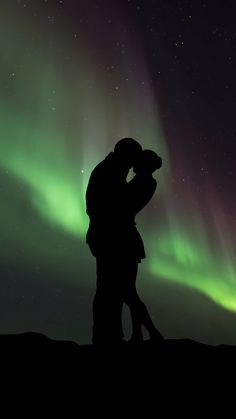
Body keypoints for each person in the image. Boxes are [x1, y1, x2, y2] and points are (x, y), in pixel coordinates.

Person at [85, 138, 142, 345]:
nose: (133, 164)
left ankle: (108, 335)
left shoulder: (111, 170)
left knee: (111, 289)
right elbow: (108, 206)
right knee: (109, 289)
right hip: (108, 236)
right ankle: (106, 336)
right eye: (133, 158)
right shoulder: (110, 172)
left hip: (106, 235)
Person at [123, 149, 164, 343]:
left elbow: (125, 202)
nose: (133, 164)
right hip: (128, 237)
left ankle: (152, 333)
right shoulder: (145, 181)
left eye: (138, 161)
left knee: (127, 292)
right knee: (129, 290)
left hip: (125, 237)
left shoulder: (145, 182)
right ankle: (138, 334)